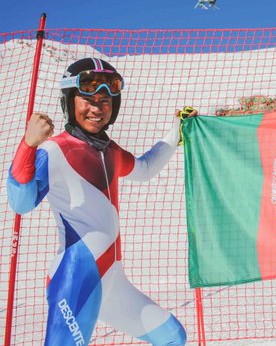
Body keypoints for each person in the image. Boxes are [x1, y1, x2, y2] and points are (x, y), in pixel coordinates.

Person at [7, 58, 196, 346]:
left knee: (172, 336)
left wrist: (175, 133)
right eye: (88, 99)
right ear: (70, 101)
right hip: (76, 280)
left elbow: (144, 168)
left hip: (113, 282)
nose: (97, 108)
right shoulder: (54, 149)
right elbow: (21, 202)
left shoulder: (110, 151)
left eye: (105, 100)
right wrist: (28, 145)